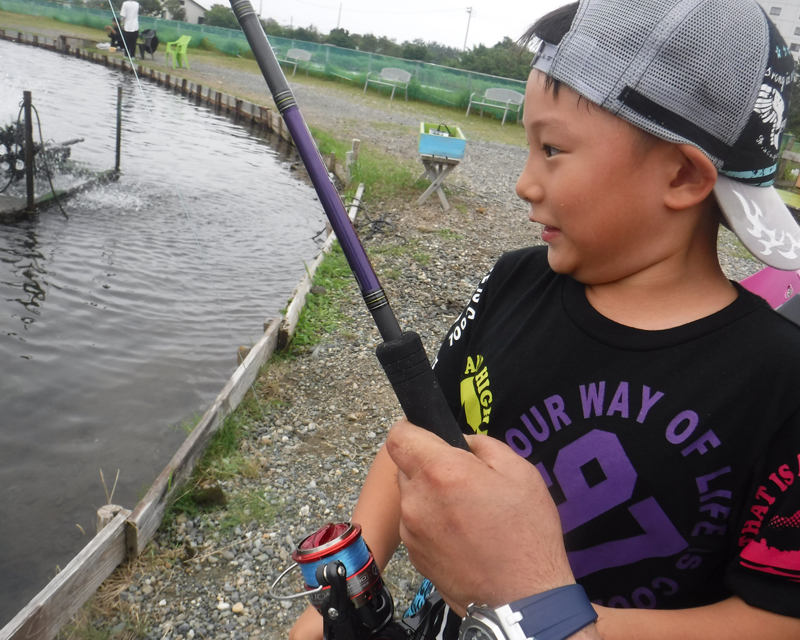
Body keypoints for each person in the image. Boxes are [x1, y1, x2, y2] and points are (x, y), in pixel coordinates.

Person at [290, 0, 800, 638]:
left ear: (681, 174)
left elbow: (776, 617)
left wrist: (538, 611)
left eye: (553, 149)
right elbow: (422, 441)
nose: (524, 182)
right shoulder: (515, 281)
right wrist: (331, 604)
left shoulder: (781, 381)